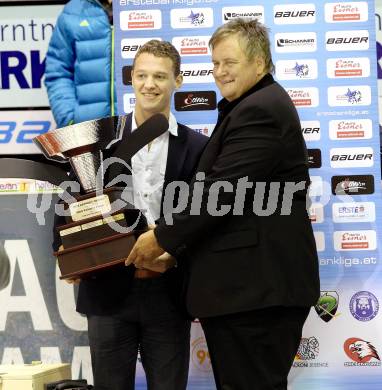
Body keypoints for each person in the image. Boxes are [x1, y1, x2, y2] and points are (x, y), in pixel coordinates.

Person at [126, 19, 320, 390]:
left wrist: (163, 239)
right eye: (215, 64)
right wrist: (178, 249)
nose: (219, 72)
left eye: (229, 62)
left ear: (259, 63)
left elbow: (222, 192)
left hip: (255, 295)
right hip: (247, 293)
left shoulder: (259, 109)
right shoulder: (248, 105)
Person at [52, 40, 207, 390]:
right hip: (107, 291)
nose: (149, 84)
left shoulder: (198, 148)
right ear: (131, 79)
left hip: (168, 293)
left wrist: (174, 255)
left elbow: (201, 218)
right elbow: (69, 196)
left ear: (178, 81)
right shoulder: (99, 140)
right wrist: (66, 251)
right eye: (142, 75)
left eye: (160, 76)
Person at [44, 0, 116, 128]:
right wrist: (69, 120)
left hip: (141, 132)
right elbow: (58, 73)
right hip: (86, 134)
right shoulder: (73, 11)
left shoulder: (150, 6)